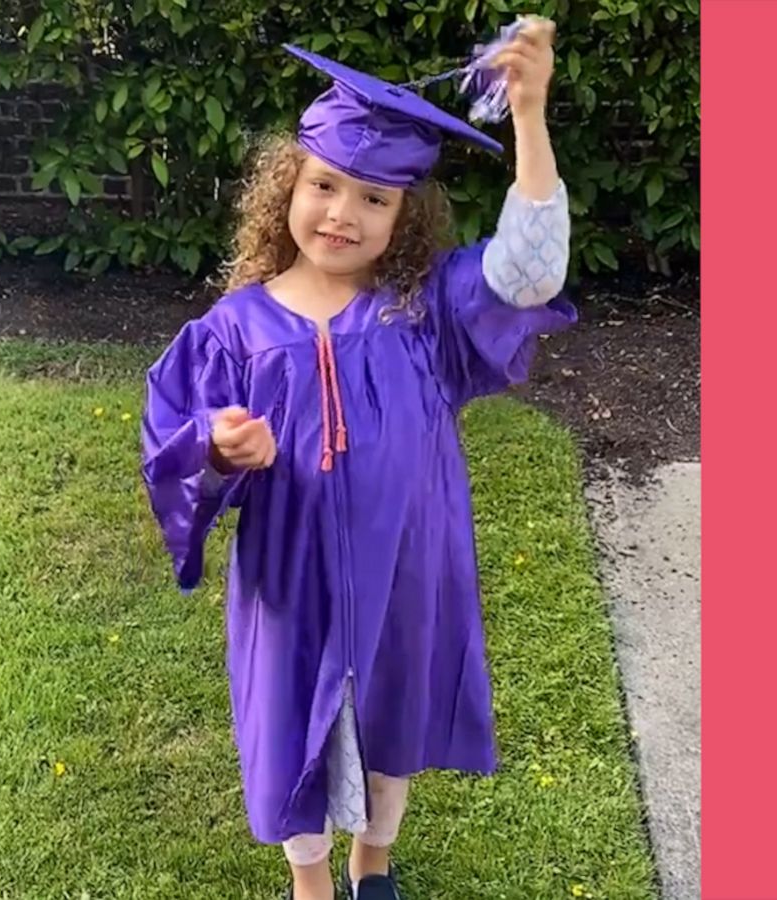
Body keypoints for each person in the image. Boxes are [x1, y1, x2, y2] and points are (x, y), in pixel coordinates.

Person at [140, 17, 573, 900]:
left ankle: (373, 865)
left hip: (406, 567)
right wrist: (219, 448)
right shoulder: (234, 331)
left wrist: (528, 115)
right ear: (285, 190)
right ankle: (308, 881)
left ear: (405, 216)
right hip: (288, 581)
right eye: (326, 185)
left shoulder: (430, 311)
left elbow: (529, 272)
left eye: (375, 198)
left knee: (389, 725)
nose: (344, 212)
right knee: (290, 728)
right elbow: (172, 445)